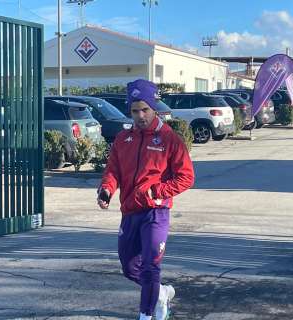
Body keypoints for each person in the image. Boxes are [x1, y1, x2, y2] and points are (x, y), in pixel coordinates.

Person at [97, 79, 195, 320]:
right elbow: (113, 170)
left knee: (151, 267)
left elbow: (187, 177)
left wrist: (156, 191)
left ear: (154, 108)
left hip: (155, 213)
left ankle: (146, 314)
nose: (140, 116)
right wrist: (107, 189)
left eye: (145, 110)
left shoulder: (170, 139)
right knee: (130, 268)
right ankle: (160, 293)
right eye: (135, 110)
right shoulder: (123, 139)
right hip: (130, 212)